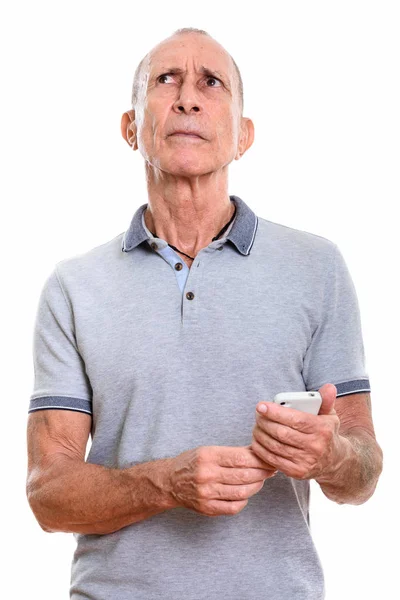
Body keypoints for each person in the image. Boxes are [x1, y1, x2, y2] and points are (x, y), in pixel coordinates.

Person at [26, 27, 383, 600]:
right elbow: (48, 494)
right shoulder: (74, 287)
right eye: (166, 80)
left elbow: (363, 472)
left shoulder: (317, 268)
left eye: (211, 83)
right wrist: (165, 483)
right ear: (130, 128)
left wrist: (330, 454)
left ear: (243, 136)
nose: (188, 97)